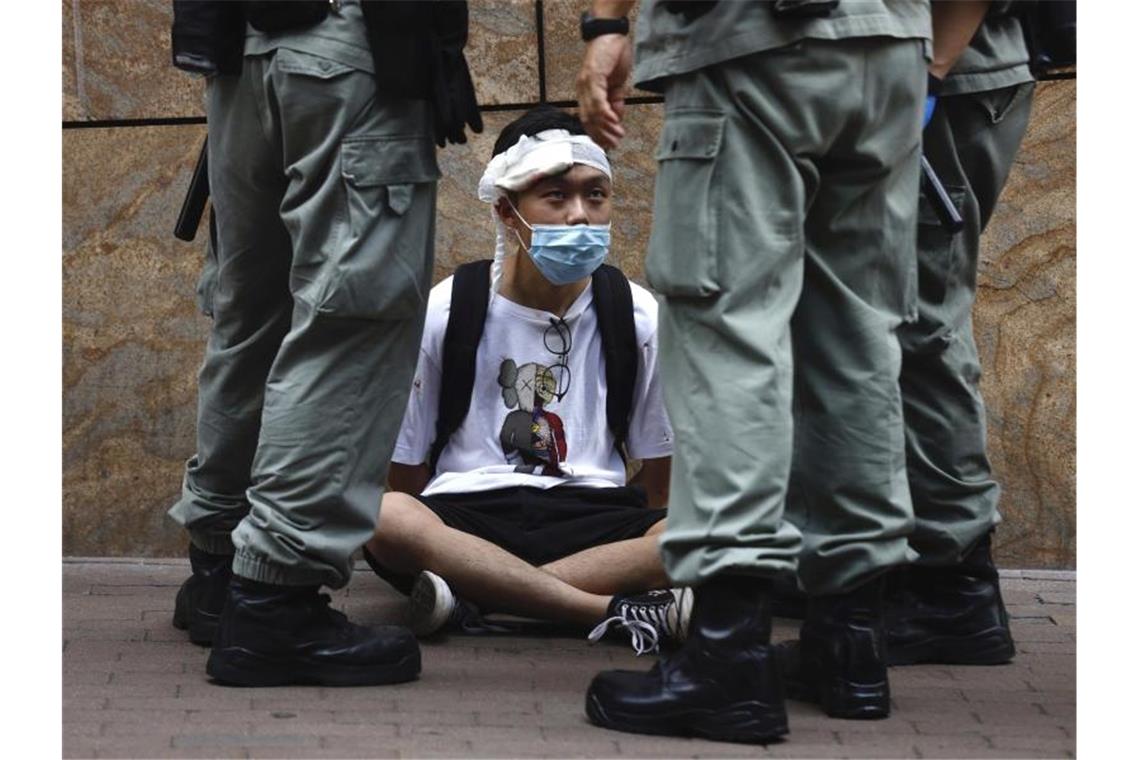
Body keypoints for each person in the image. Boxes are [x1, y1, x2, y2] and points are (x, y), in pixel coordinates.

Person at [577, 0, 931, 742]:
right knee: (856, 340)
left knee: (727, 335)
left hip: (754, 42)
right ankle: (851, 643)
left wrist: (605, 25)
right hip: (892, 45)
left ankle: (729, 657)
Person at [167, 0, 477, 688]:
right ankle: (275, 599)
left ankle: (219, 569)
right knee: (350, 325)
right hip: (348, 45)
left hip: (240, 49)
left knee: (253, 317)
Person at [360, 106, 689, 655]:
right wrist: (450, 542)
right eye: (556, 197)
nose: (580, 216)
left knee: (691, 536)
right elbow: (405, 467)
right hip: (468, 518)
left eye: (596, 195)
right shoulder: (448, 308)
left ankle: (475, 599)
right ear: (508, 211)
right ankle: (605, 608)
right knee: (383, 514)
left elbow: (660, 477)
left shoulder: (636, 314)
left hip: (592, 516)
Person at [887, 0, 1036, 666]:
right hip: (940, 74)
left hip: (943, 79)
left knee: (922, 325)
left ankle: (954, 584)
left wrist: (929, 72)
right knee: (900, 327)